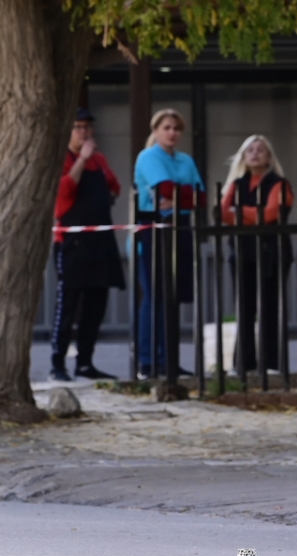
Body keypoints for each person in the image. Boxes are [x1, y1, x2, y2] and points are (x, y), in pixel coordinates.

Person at [49, 108, 124, 382]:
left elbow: (114, 185)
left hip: (99, 241)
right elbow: (63, 193)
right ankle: (57, 363)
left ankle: (85, 362)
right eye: (78, 127)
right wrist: (81, 159)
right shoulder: (63, 159)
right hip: (72, 242)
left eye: (88, 127)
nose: (84, 132)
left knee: (95, 305)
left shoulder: (100, 160)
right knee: (68, 305)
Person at [133, 109, 204, 379]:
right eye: (166, 127)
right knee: (155, 297)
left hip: (181, 227)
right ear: (156, 130)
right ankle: (148, 360)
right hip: (154, 228)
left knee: (173, 298)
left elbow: (201, 196)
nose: (172, 133)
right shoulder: (149, 156)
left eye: (176, 128)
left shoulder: (185, 160)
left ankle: (169, 359)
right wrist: (181, 195)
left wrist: (177, 198)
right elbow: (163, 190)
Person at [219, 135, 294, 375]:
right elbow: (223, 213)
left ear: (269, 157)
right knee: (244, 308)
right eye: (250, 150)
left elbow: (271, 213)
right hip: (241, 252)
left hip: (272, 252)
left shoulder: (279, 183)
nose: (255, 153)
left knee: (270, 307)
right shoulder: (236, 184)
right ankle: (243, 363)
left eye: (260, 150)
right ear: (243, 156)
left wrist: (240, 211)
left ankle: (271, 363)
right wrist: (253, 213)